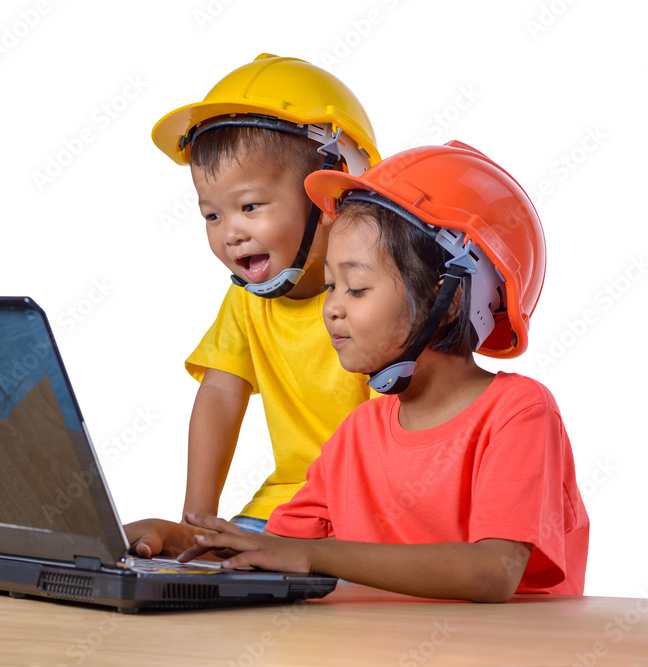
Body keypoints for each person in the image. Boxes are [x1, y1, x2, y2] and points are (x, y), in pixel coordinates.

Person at [130, 141, 590, 602]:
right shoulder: (358, 433)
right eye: (332, 285)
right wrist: (176, 540)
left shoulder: (519, 413)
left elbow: (492, 573)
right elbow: (273, 550)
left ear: (448, 300)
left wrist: (315, 557)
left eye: (357, 288)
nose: (331, 309)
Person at [139, 54, 382, 543]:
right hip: (286, 507)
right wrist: (195, 527)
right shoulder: (247, 302)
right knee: (202, 571)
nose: (230, 233)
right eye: (212, 215)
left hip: (372, 510)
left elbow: (395, 429)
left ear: (332, 196)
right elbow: (221, 395)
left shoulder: (380, 298)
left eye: (250, 206)